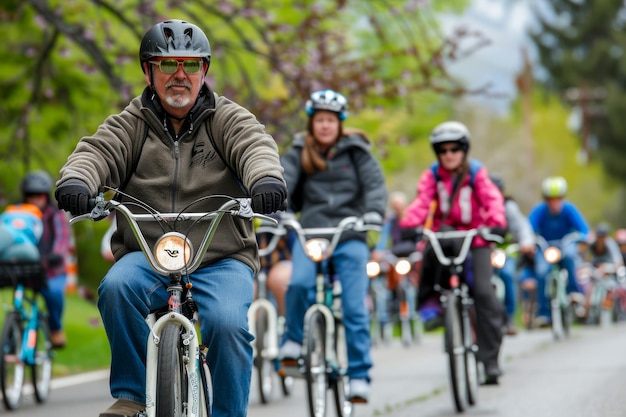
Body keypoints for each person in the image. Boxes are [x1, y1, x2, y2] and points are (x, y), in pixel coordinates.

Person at [54, 19, 286, 417]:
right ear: (148, 71)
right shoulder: (130, 124)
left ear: (204, 72)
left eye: (191, 65)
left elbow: (255, 147)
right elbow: (96, 152)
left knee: (229, 325)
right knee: (117, 288)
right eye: (167, 65)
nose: (180, 75)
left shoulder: (227, 119)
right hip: (149, 252)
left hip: (221, 255)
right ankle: (131, 394)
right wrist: (77, 180)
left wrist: (265, 178)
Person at [278, 89, 387, 403]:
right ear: (312, 123)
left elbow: (375, 186)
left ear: (340, 123)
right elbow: (282, 182)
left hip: (349, 234)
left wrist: (373, 214)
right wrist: (279, 210)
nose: (325, 126)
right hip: (310, 232)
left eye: (331, 120)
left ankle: (359, 376)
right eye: (320, 120)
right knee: (297, 283)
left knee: (354, 308)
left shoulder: (357, 151)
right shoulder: (299, 150)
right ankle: (294, 341)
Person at [399, 121, 507, 385]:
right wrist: (410, 224)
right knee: (426, 258)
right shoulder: (432, 175)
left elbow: (491, 198)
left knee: (483, 292)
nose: (449, 154)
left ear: (464, 149)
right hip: (444, 235)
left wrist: (496, 223)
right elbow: (422, 202)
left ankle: (490, 362)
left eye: (455, 148)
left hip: (476, 238)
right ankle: (431, 309)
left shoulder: (476, 172)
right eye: (443, 149)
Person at [527, 176, 589, 327]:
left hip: (565, 246)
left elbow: (584, 230)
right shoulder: (539, 211)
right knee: (541, 272)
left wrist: (581, 237)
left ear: (562, 198)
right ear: (545, 199)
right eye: (550, 199)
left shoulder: (569, 209)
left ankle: (573, 292)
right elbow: (528, 230)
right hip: (546, 249)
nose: (554, 203)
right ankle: (543, 314)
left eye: (557, 199)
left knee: (570, 255)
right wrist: (529, 240)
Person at [20, 171, 72, 349]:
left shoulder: (54, 214)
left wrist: (52, 257)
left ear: (46, 196)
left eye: (39, 195)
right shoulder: (21, 213)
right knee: (17, 297)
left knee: (54, 294)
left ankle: (55, 328)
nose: (35, 199)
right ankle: (14, 331)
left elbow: (61, 239)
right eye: (30, 195)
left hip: (51, 269)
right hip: (25, 267)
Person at [489, 174, 535, 336]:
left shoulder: (509, 207)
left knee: (507, 275)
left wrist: (526, 242)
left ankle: (509, 319)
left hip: (506, 251)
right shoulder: (480, 207)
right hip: (487, 251)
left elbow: (523, 227)